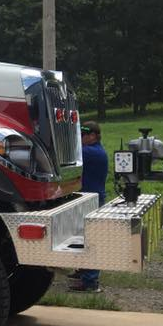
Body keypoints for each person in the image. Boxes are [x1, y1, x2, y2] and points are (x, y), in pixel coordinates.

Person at [69, 121, 108, 292]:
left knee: (91, 241)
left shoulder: (89, 152)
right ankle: (84, 272)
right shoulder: (95, 151)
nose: (81, 138)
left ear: (93, 136)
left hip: (91, 201)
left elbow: (69, 155)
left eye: (83, 135)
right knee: (83, 238)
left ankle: (90, 282)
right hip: (89, 199)